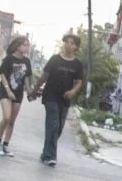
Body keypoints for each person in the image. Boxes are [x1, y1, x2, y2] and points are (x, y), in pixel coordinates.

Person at [29, 34, 84, 167]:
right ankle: (51, 156)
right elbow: (44, 77)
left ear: (76, 47)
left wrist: (72, 91)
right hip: (50, 96)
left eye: (72, 43)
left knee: (58, 128)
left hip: (64, 98)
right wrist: (34, 91)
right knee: (53, 124)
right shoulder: (55, 59)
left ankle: (45, 152)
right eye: (67, 42)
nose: (69, 45)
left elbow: (78, 82)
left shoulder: (77, 64)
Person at [0, 36, 33, 157]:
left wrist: (29, 91)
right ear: (18, 45)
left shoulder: (27, 61)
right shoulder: (9, 59)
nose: (27, 47)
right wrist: (8, 90)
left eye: (28, 45)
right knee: (6, 117)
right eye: (25, 44)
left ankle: (6, 145)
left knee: (12, 121)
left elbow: (27, 78)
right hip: (6, 91)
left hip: (18, 93)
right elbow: (2, 74)